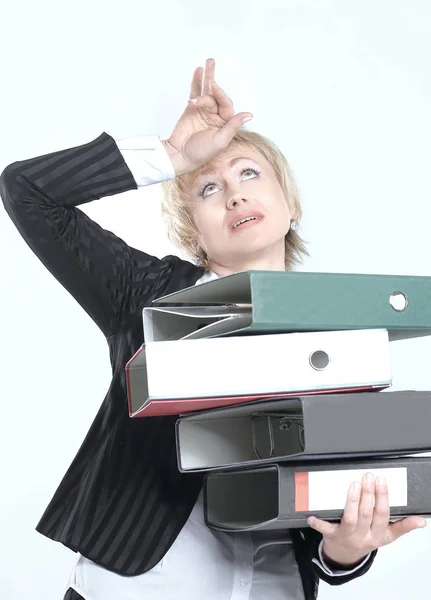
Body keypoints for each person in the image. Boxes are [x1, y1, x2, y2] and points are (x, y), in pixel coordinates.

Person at [0, 58, 426, 600]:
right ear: (193, 231)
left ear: (290, 204)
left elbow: (327, 502)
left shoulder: (343, 335)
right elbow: (26, 190)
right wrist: (173, 157)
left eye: (249, 173)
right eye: (208, 188)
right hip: (138, 584)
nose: (235, 194)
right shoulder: (146, 294)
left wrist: (344, 552)